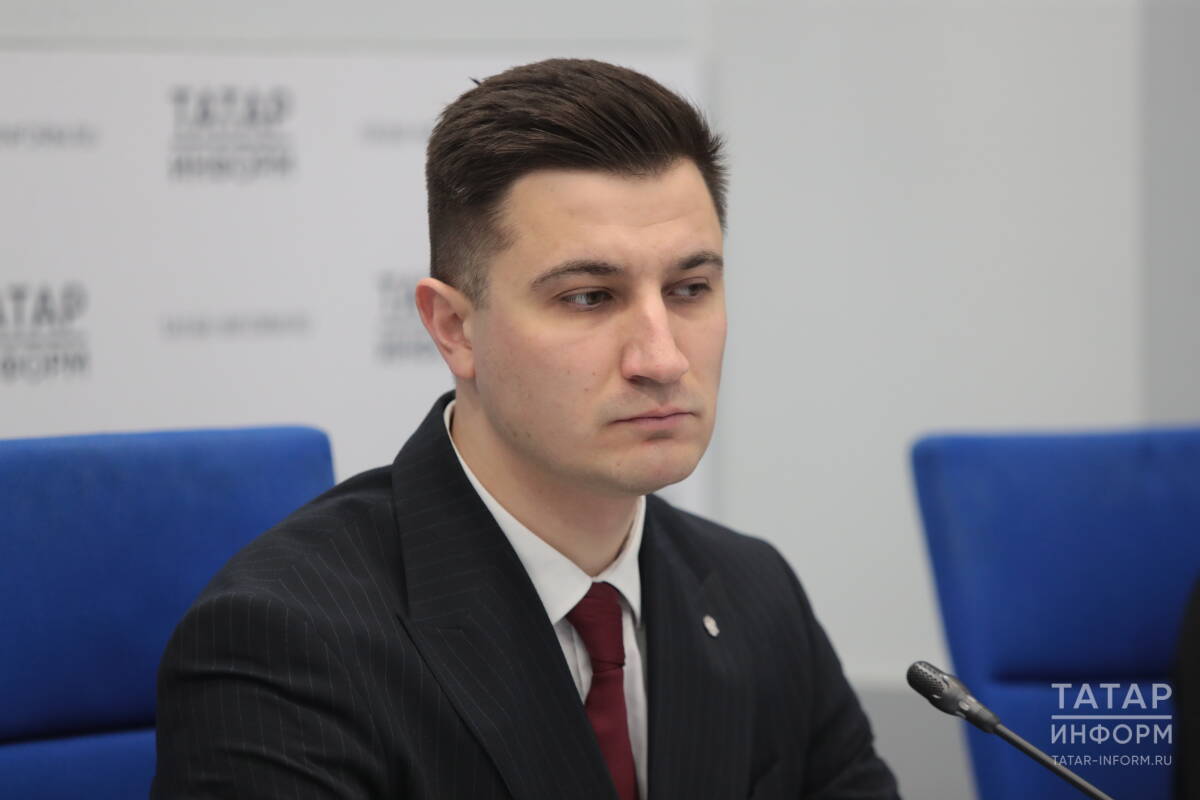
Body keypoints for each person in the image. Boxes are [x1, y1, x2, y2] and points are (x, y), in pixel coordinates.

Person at [152, 57, 900, 800]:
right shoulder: (285, 640)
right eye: (588, 297)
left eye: (690, 289)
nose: (663, 358)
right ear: (454, 329)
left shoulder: (754, 592)